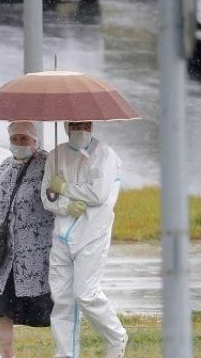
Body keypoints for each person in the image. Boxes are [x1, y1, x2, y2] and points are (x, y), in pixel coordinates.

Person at [42, 121, 128, 358]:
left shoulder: (105, 155)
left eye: (85, 124)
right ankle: (65, 354)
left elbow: (98, 194)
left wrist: (66, 188)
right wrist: (64, 205)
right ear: (67, 126)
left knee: (85, 294)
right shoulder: (55, 156)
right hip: (62, 235)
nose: (80, 129)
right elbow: (46, 196)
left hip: (93, 233)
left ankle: (116, 336)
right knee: (62, 301)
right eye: (75, 124)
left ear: (92, 125)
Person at [0, 121, 55, 358]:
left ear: (35, 141)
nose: (20, 143)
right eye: (15, 139)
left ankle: (65, 350)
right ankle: (6, 353)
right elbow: (0, 211)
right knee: (3, 305)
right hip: (10, 253)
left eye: (25, 139)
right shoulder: (4, 167)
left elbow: (57, 201)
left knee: (50, 307)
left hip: (39, 253)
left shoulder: (48, 164)